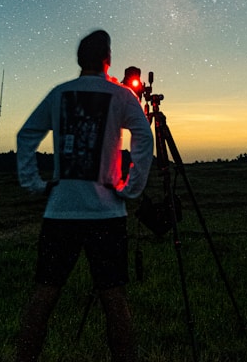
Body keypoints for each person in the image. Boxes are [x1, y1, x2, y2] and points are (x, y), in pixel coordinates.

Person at [15, 29, 153, 362]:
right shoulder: (121, 96)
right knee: (114, 300)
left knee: (43, 296)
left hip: (60, 212)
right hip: (106, 213)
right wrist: (129, 188)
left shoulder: (60, 94)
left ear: (79, 60)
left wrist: (34, 185)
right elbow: (143, 140)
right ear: (108, 60)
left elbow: (26, 137)